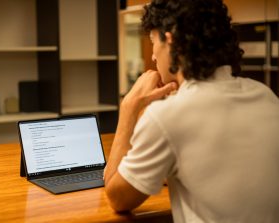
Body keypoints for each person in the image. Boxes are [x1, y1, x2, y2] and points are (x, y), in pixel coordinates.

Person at [104, 0, 279, 222]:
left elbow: (117, 197)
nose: (154, 56)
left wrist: (129, 108)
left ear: (170, 39)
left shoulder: (166, 116)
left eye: (153, 42)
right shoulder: (266, 96)